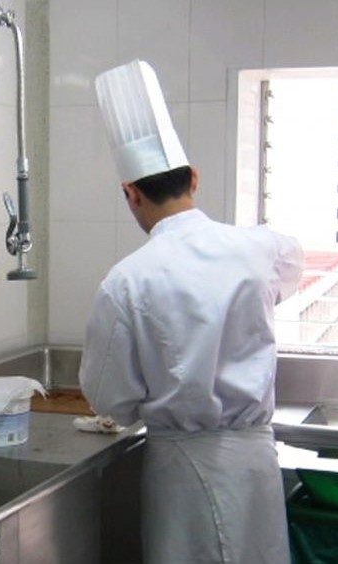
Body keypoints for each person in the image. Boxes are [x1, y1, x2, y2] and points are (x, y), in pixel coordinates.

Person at [79, 60, 304, 564]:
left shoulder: (128, 281)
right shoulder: (264, 248)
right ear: (194, 178)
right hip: (255, 461)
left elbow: (109, 399)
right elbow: (291, 274)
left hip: (183, 469)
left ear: (130, 194)